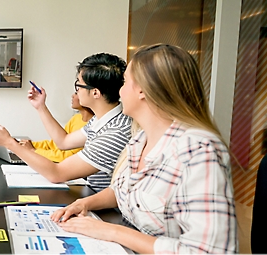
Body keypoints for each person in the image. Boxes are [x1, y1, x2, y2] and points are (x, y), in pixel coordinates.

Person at [50, 44, 237, 253]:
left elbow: (209, 251)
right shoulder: (140, 138)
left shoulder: (199, 150)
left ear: (142, 90)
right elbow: (125, 192)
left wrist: (111, 232)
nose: (120, 91)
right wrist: (85, 204)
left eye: (125, 82)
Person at [0, 53, 131, 191]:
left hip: (104, 208)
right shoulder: (103, 120)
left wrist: (10, 143)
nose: (76, 91)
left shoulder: (114, 131)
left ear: (95, 92)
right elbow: (63, 142)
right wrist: (41, 107)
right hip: (90, 194)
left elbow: (57, 174)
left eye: (78, 85)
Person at [18, 93, 95, 162]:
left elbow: (66, 156)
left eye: (76, 93)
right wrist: (26, 144)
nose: (72, 95)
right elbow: (56, 144)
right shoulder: (76, 118)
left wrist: (34, 151)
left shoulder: (92, 127)